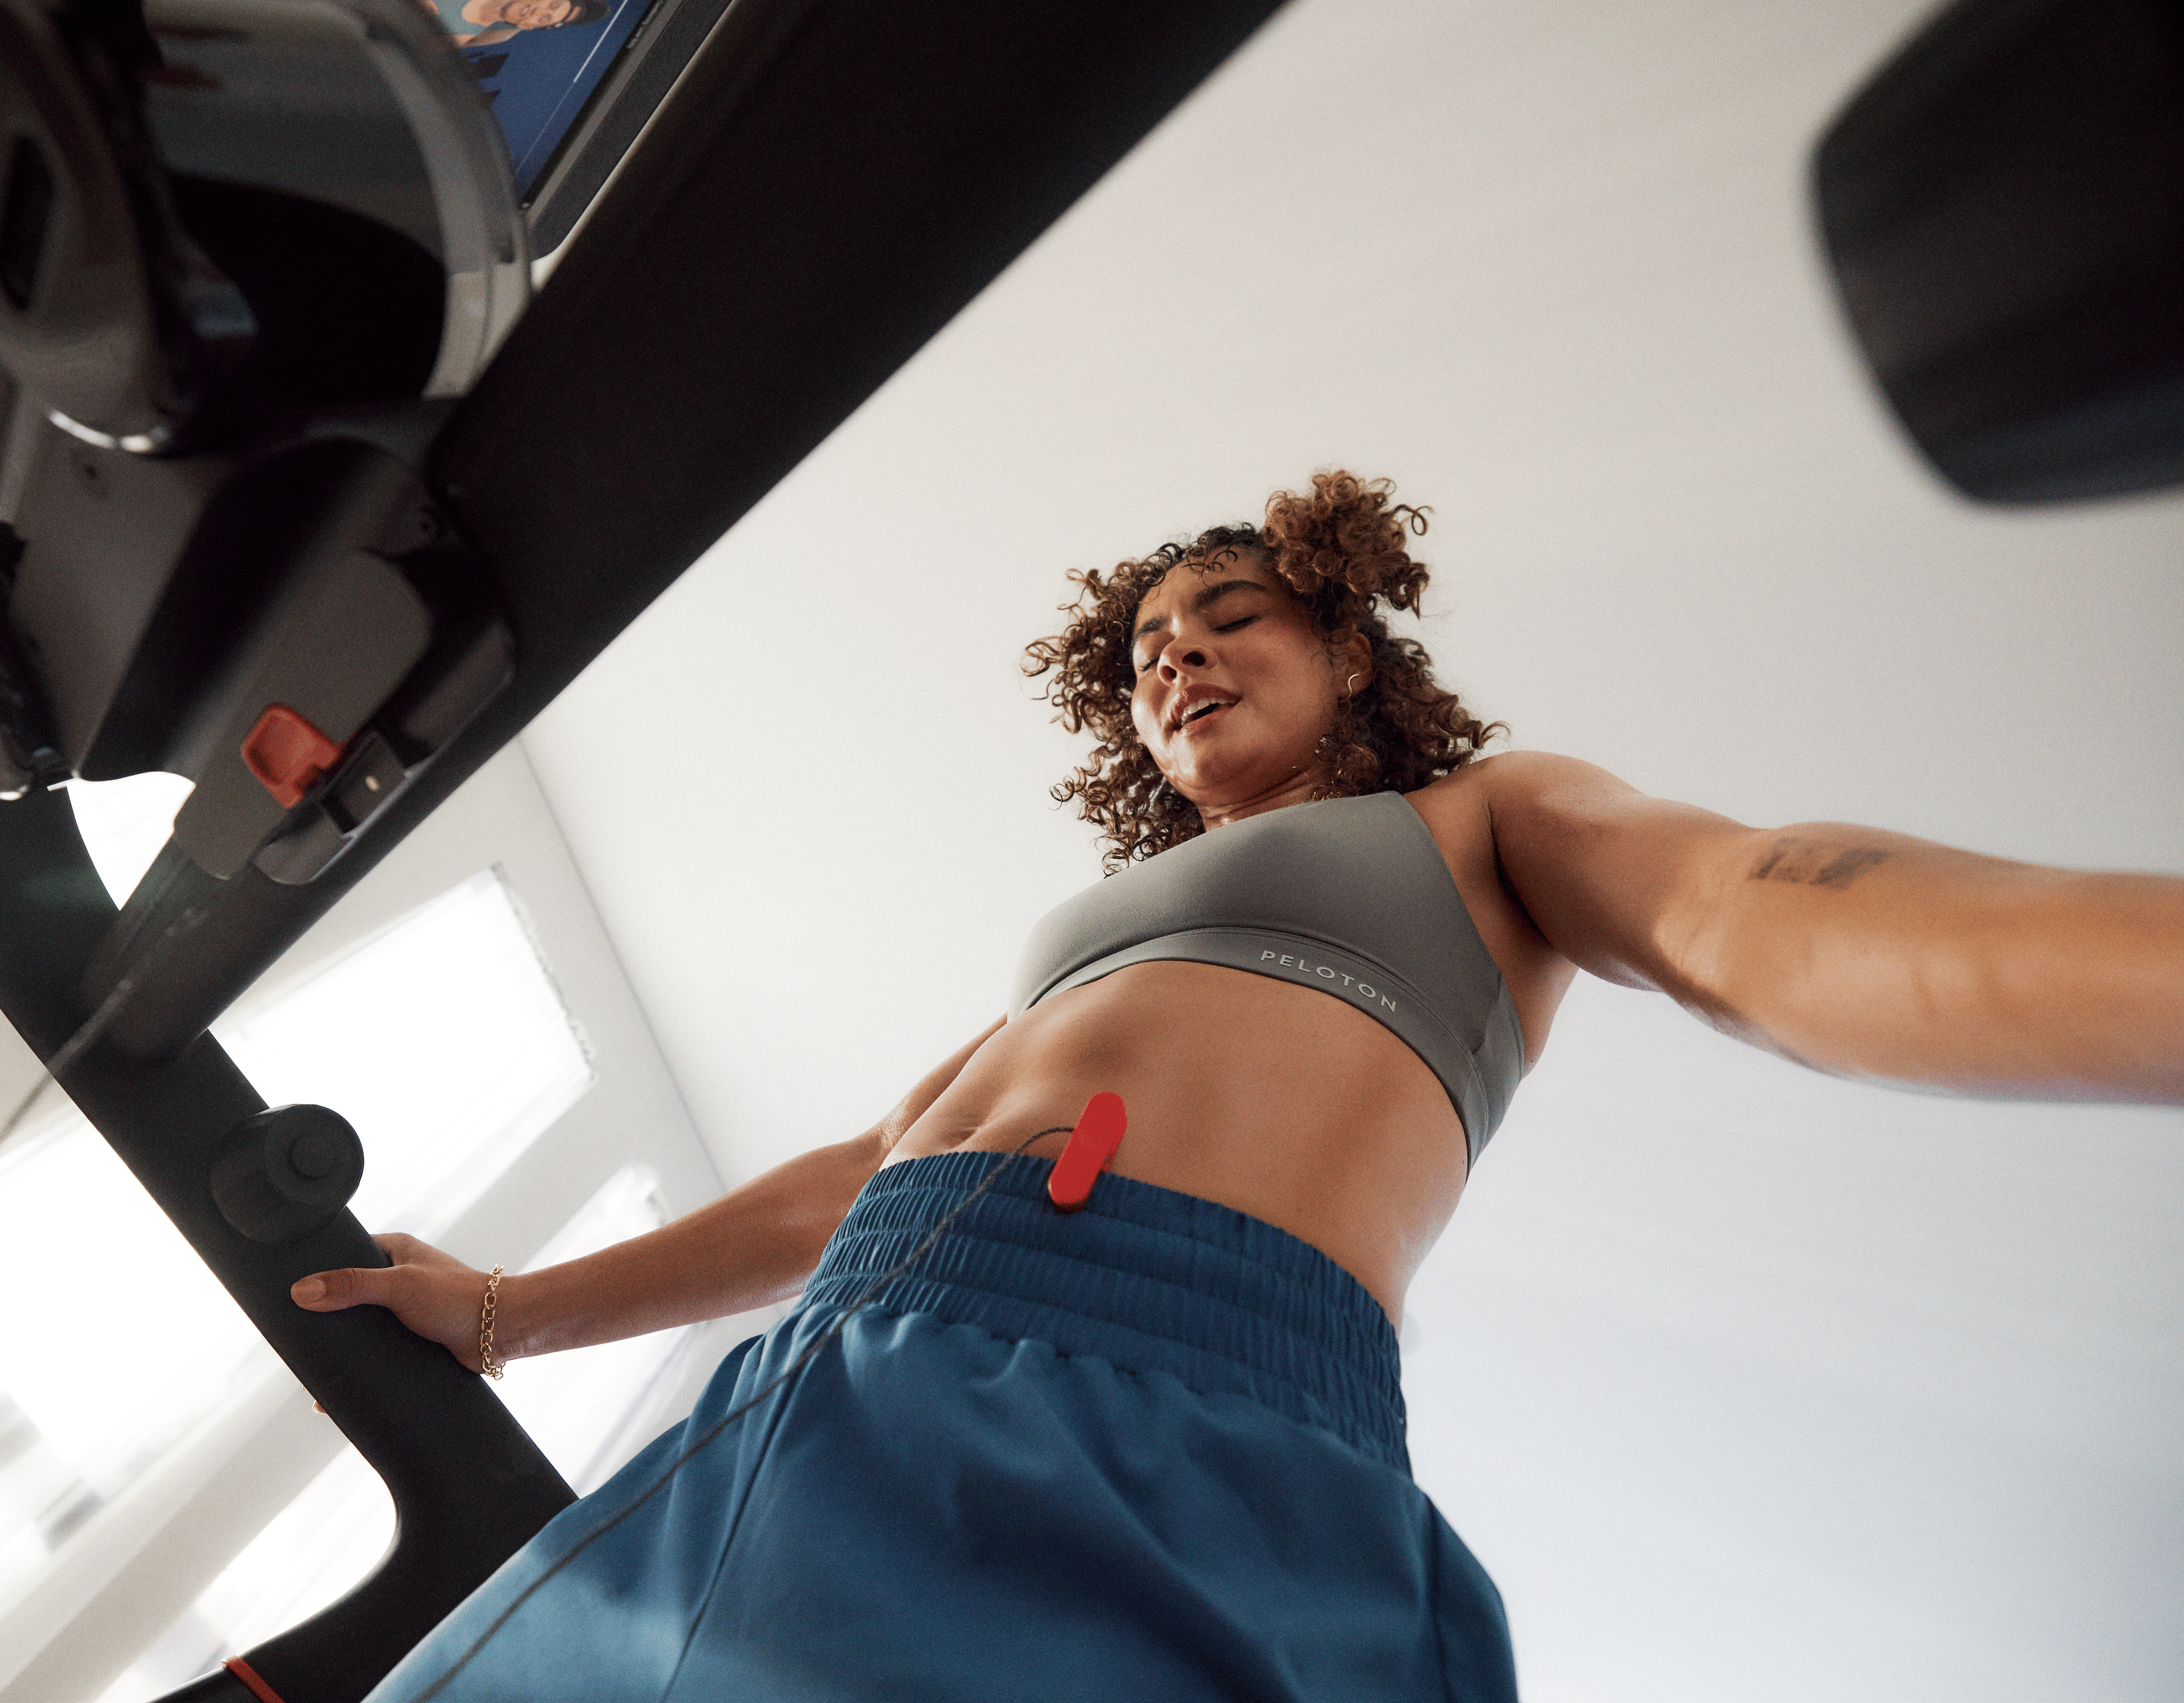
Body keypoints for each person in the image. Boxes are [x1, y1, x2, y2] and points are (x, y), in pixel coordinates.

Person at [295, 470, 2184, 1701]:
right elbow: (866, 1167)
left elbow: (1752, 906)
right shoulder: (1095, 931)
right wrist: (510, 1316)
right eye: (1141, 653)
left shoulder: (1480, 820)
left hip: (1172, 1388)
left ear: (1349, 646)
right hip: (823, 1374)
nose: (1175, 656)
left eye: (1228, 617)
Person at [434, 0, 609, 50]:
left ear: (526, 26)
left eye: (544, 19)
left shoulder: (460, 36)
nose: (538, 12)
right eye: (552, 4)